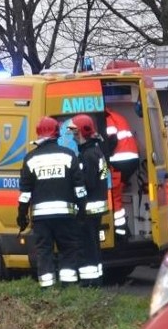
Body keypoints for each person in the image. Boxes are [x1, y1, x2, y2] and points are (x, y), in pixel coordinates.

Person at [17, 116, 87, 289]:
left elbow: (25, 194)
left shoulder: (30, 159)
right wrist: (82, 211)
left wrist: (21, 216)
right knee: (68, 250)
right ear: (56, 133)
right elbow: (79, 189)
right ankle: (68, 289)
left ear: (39, 134)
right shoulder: (69, 156)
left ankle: (47, 289)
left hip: (41, 219)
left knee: (44, 252)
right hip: (66, 216)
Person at [67, 114, 110, 287]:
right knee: (93, 247)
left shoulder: (88, 155)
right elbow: (102, 177)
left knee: (87, 247)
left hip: (89, 209)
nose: (72, 135)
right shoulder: (96, 151)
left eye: (74, 131)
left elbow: (88, 183)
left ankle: (89, 282)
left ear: (82, 132)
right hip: (96, 207)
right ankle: (96, 278)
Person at [104, 108, 139, 239]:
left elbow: (111, 140)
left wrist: (103, 157)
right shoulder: (116, 115)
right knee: (116, 193)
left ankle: (120, 232)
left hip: (120, 161)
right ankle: (122, 230)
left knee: (114, 196)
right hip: (130, 160)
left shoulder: (107, 118)